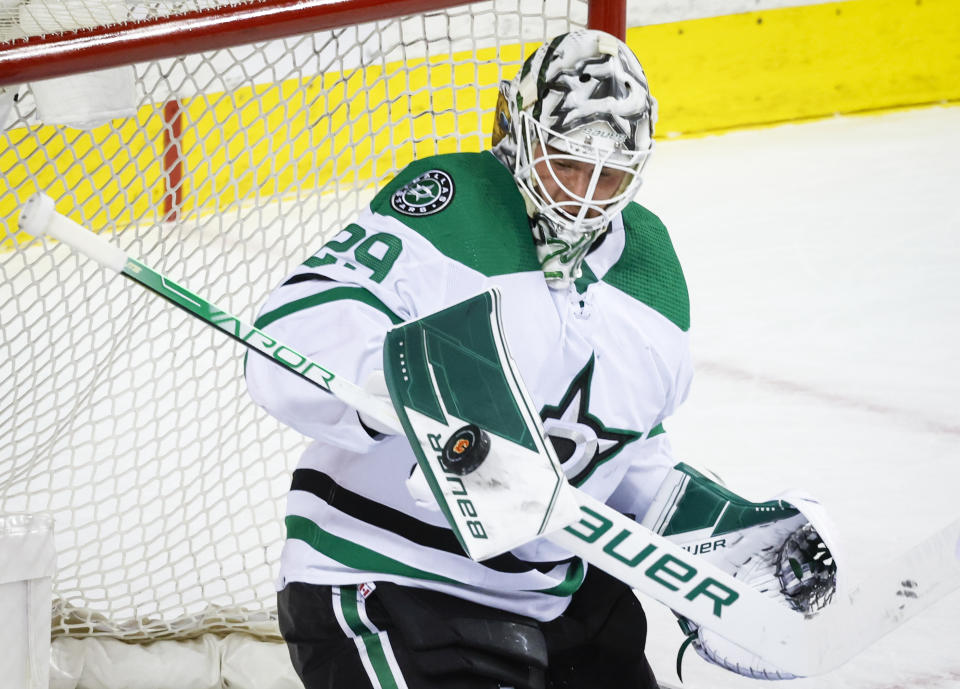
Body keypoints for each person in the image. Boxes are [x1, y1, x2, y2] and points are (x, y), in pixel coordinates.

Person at [246, 29, 838, 689]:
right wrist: (396, 381)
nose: (586, 193)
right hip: (386, 572)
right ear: (521, 137)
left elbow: (622, 453)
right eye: (567, 161)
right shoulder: (451, 203)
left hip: (552, 594)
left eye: (610, 171)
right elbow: (289, 336)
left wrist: (714, 531)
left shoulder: (650, 271)